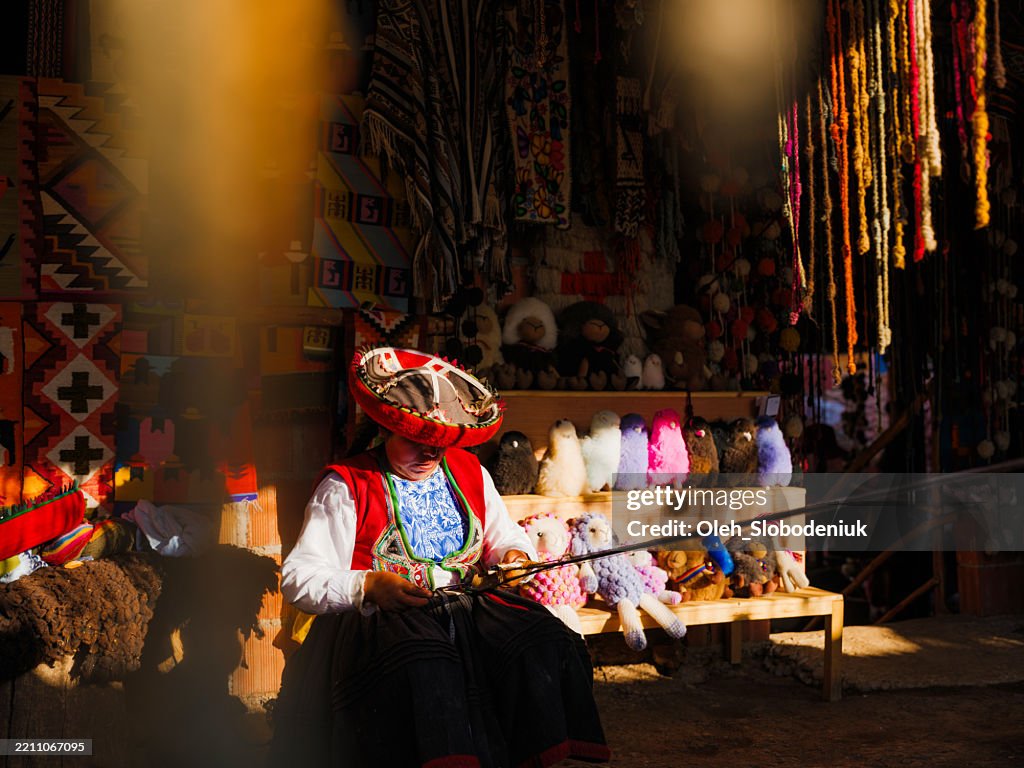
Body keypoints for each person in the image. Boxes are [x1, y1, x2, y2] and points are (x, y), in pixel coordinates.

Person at [270, 346, 609, 767]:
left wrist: (514, 557)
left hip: (467, 610)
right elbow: (299, 578)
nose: (430, 454)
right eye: (416, 441)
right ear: (387, 429)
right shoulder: (347, 485)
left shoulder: (469, 471)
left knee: (546, 640)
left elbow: (500, 536)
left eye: (440, 444)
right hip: (379, 626)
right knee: (425, 665)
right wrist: (369, 585)